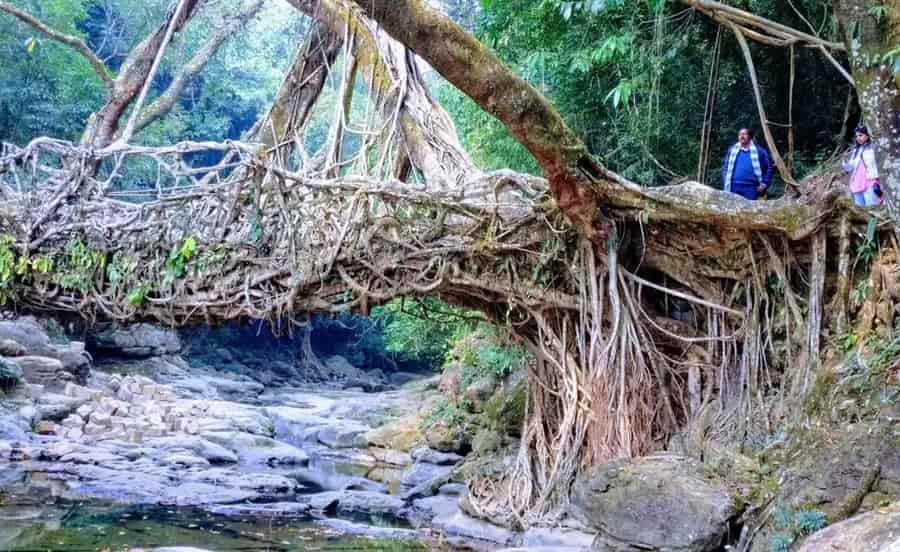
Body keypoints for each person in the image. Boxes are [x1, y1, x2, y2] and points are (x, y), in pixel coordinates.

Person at [721, 128, 774, 200]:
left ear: (750, 136)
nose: (741, 136)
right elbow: (725, 167)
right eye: (740, 134)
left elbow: (769, 168)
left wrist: (764, 184)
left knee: (750, 207)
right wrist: (725, 179)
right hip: (733, 186)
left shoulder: (760, 151)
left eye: (744, 134)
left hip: (751, 187)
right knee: (731, 206)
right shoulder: (732, 150)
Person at [842, 124, 882, 207]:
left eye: (860, 135)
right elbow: (849, 168)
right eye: (856, 136)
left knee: (872, 208)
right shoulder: (856, 150)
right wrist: (845, 160)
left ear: (867, 135)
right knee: (860, 210)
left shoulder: (874, 147)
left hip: (870, 182)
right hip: (857, 184)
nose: (858, 138)